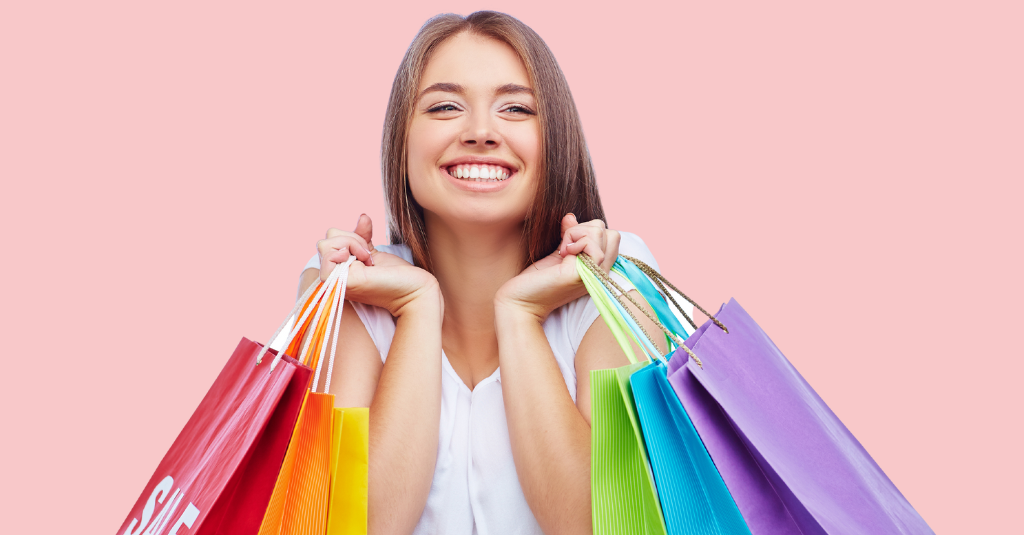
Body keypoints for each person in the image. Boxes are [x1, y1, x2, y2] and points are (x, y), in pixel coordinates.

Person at [297, 11, 676, 535]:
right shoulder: (353, 290)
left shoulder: (612, 282)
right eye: (446, 106)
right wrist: (416, 305)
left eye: (516, 108)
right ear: (401, 142)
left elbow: (605, 526)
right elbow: (354, 528)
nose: (480, 132)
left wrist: (520, 314)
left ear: (556, 141)